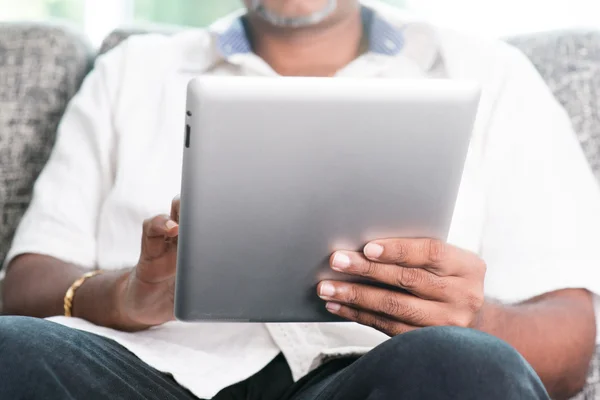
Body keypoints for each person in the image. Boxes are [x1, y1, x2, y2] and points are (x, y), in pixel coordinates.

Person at [1, 0, 599, 399]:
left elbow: (570, 335)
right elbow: (25, 284)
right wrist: (123, 295)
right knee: (13, 351)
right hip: (147, 373)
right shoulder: (127, 72)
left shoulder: (493, 76)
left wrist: (472, 321)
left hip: (373, 375)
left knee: (467, 366)